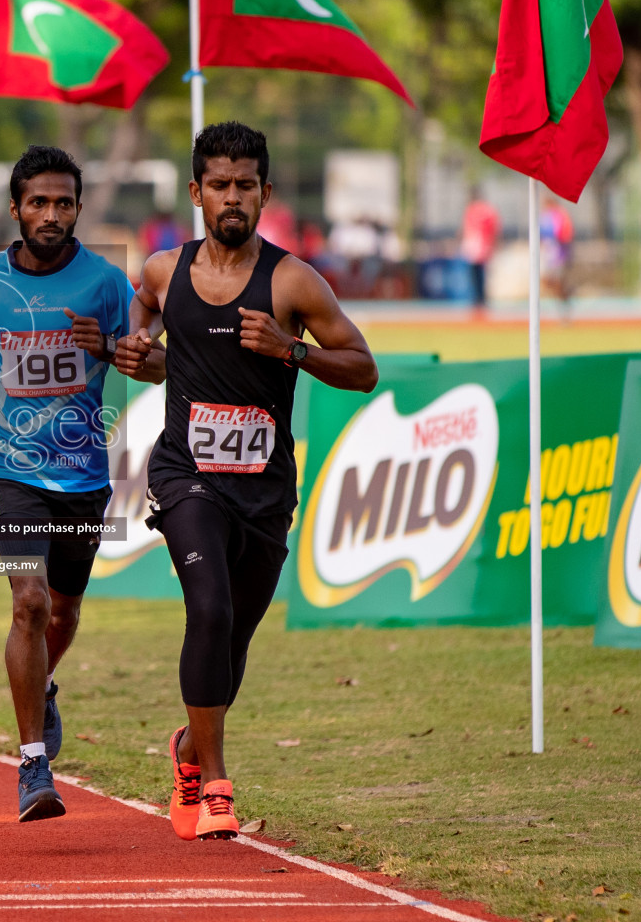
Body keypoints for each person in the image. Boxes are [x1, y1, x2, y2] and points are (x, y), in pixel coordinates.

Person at [115, 122, 377, 841]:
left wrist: (291, 350)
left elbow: (363, 367)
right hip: (185, 474)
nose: (232, 197)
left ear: (266, 192)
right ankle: (216, 783)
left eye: (245, 185)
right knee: (210, 606)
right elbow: (143, 318)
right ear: (196, 192)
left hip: (264, 489)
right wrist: (140, 345)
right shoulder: (165, 270)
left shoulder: (293, 281)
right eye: (219, 185)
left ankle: (187, 747)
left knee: (233, 640)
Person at [0, 145, 133, 823]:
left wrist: (106, 346)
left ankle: (43, 685)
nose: (51, 215)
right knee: (29, 602)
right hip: (6, 465)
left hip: (82, 471)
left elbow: (157, 361)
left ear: (78, 209)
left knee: (64, 611)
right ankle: (31, 765)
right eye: (38, 203)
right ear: (17, 207)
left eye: (63, 203)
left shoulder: (108, 283)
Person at [460, 187, 500, 307]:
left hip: (475, 245)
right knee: (480, 274)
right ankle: (480, 298)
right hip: (481, 245)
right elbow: (493, 229)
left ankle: (478, 298)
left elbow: (466, 228)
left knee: (475, 274)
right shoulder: (487, 210)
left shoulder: (473, 210)